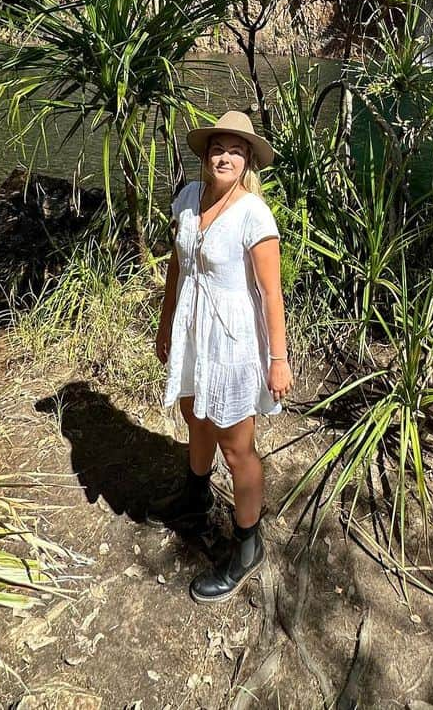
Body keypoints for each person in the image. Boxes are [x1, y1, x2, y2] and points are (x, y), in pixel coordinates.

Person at [151, 110, 294, 602]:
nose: (225, 155)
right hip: (194, 334)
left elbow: (271, 294)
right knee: (195, 418)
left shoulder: (254, 213)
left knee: (237, 448)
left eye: (235, 149)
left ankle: (248, 545)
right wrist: (166, 322)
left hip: (232, 344)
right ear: (206, 154)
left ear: (248, 159)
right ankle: (194, 498)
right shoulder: (190, 199)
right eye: (218, 147)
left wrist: (279, 358)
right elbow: (178, 264)